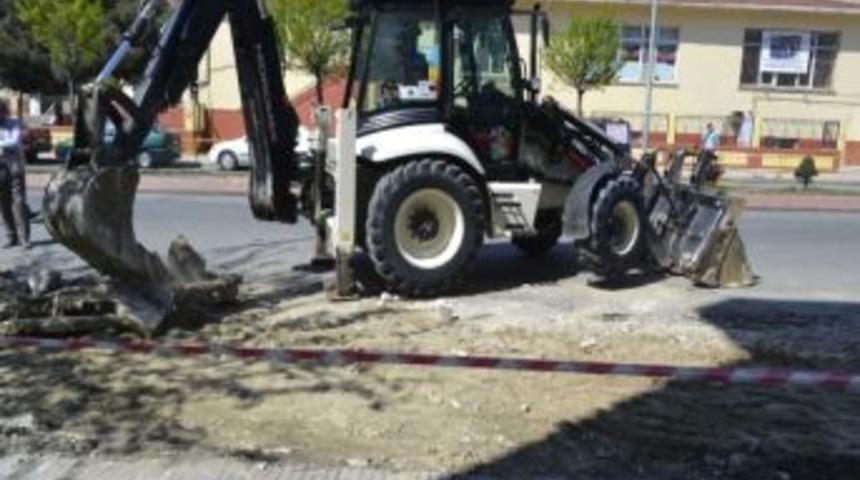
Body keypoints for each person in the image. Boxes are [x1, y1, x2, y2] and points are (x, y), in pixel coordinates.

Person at [0, 99, 30, 249]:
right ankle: (12, 237)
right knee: (3, 204)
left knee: (19, 203)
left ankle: (24, 239)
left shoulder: (14, 123)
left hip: (14, 167)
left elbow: (13, 141)